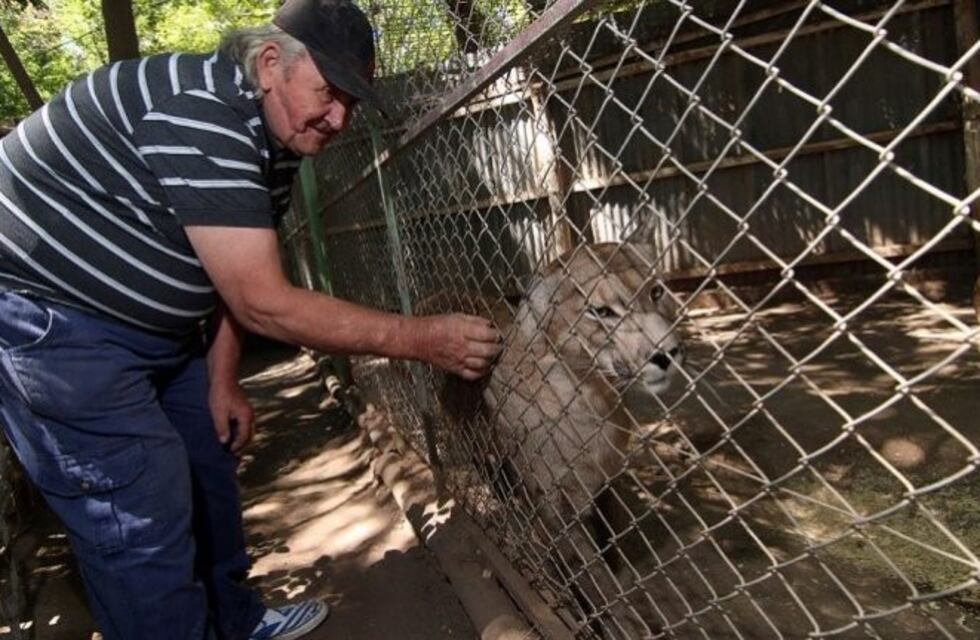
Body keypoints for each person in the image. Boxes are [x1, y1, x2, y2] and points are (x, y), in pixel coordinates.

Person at [0, 0, 501, 638]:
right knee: (139, 510)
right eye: (328, 92)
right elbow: (262, 300)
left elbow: (230, 273)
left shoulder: (280, 137)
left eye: (352, 101)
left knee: (207, 460)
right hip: (52, 322)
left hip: (159, 328)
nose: (339, 117)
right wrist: (426, 338)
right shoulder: (201, 114)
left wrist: (221, 380)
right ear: (270, 64)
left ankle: (234, 620)